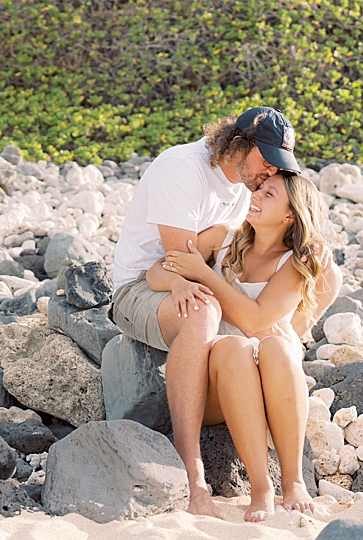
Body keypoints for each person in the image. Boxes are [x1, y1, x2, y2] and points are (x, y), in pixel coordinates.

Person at [109, 106, 301, 518]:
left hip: (191, 281)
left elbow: (215, 262)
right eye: (265, 160)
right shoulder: (182, 168)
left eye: (276, 165)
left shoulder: (243, 188)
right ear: (237, 144)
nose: (269, 173)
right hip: (142, 285)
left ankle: (288, 479)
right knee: (202, 312)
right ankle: (191, 469)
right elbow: (175, 268)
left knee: (273, 341)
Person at [155, 171, 339, 521]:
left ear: (289, 216)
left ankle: (293, 479)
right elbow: (155, 272)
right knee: (233, 347)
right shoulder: (224, 238)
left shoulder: (295, 262)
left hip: (273, 379)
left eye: (268, 194)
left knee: (278, 347)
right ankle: (261, 486)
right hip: (217, 383)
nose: (254, 194)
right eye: (258, 188)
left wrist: (205, 274)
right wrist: (178, 283)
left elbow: (254, 320)